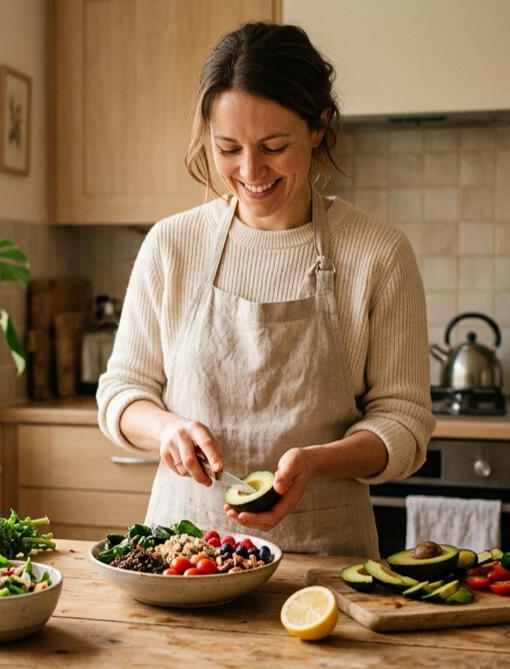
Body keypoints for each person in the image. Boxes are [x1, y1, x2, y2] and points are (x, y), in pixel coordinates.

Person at [95, 22, 435, 557]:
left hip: (325, 565)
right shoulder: (171, 245)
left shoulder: (378, 254)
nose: (251, 171)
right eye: (228, 148)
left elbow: (406, 423)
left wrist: (320, 463)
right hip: (184, 559)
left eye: (274, 146)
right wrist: (166, 430)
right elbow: (121, 393)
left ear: (318, 128)